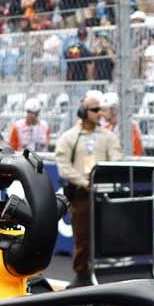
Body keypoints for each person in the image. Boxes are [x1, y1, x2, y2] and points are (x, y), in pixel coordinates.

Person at [52, 91, 123, 286]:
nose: (99, 113)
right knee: (82, 236)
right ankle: (82, 275)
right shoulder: (70, 137)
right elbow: (62, 165)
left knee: (107, 235)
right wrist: (82, 181)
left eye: (100, 109)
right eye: (94, 110)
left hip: (104, 194)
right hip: (82, 194)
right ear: (83, 111)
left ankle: (104, 274)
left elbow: (117, 160)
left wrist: (101, 179)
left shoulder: (108, 137)